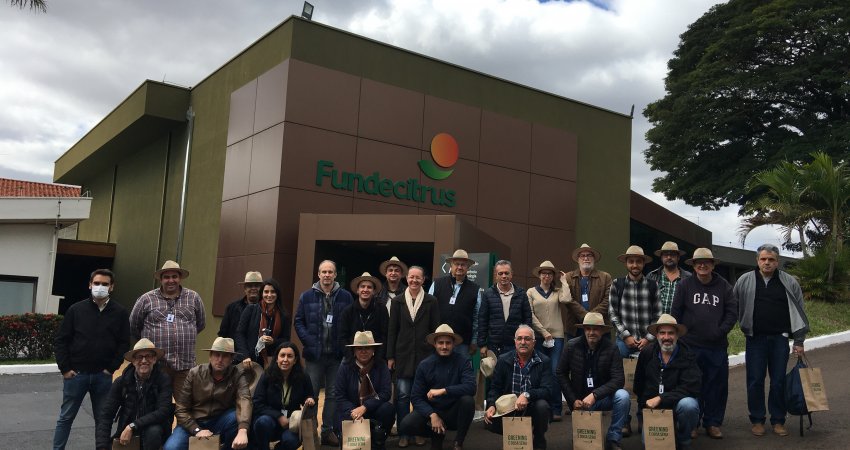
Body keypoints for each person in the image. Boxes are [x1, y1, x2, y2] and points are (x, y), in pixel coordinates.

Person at [733, 243, 810, 438]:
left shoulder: (789, 282)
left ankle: (778, 420)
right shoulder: (744, 280)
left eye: (771, 259)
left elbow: (800, 311)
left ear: (777, 262)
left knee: (777, 382)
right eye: (763, 259)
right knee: (755, 381)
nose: (767, 262)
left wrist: (799, 341)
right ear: (757, 260)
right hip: (755, 339)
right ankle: (757, 420)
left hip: (779, 340)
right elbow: (733, 306)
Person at [53, 268, 130, 450]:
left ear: (112, 287)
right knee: (65, 418)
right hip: (75, 375)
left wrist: (110, 368)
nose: (100, 287)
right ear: (90, 285)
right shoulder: (76, 310)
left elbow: (123, 343)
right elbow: (61, 340)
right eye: (97, 283)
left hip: (102, 377)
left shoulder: (120, 312)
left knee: (103, 420)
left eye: (105, 284)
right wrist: (65, 368)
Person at [671, 248, 737, 439]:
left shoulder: (724, 286)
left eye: (706, 262)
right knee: (692, 386)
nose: (702, 265)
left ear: (713, 264)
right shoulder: (684, 285)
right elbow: (676, 312)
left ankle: (713, 423)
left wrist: (720, 331)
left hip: (716, 346)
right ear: (693, 265)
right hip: (690, 345)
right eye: (698, 262)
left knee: (716, 386)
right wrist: (680, 336)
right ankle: (693, 423)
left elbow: (732, 312)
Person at [294, 260, 354, 446]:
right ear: (318, 274)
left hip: (336, 355)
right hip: (314, 355)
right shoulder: (306, 297)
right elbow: (298, 321)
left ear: (335, 275)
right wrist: (309, 341)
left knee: (333, 394)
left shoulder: (346, 297)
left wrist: (344, 346)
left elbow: (351, 323)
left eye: (330, 272)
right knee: (311, 396)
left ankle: (328, 431)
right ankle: (310, 433)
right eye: (323, 272)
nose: (327, 275)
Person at [130, 260, 205, 393]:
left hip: (185, 366)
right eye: (166, 277)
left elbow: (200, 324)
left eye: (174, 276)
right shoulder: (146, 299)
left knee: (185, 408)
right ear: (161, 279)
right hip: (156, 366)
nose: (171, 280)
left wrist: (185, 335)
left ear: (180, 278)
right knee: (155, 406)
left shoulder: (194, 298)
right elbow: (134, 325)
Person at [557, 313, 629, 450]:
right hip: (580, 400)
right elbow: (561, 373)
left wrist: (595, 395)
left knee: (623, 396)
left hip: (602, 398)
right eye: (588, 329)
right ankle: (584, 435)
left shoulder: (612, 348)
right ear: (583, 330)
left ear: (602, 330)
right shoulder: (571, 346)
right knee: (585, 443)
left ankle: (613, 439)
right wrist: (572, 400)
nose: (591, 332)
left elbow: (619, 379)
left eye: (595, 329)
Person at [386, 266, 441, 447]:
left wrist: (436, 354)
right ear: (406, 278)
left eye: (418, 277)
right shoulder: (398, 302)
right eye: (411, 277)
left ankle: (419, 432)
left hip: (426, 356)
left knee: (422, 397)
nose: (414, 280)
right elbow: (392, 331)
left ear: (423, 279)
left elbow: (435, 331)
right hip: (403, 355)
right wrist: (390, 356)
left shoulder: (431, 301)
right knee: (402, 397)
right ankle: (404, 433)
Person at [165, 337, 252, 450]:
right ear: (210, 356)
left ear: (231, 359)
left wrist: (243, 429)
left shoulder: (237, 374)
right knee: (171, 447)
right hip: (193, 421)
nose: (220, 359)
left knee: (235, 417)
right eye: (216, 354)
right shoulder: (195, 373)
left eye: (225, 356)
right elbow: (181, 408)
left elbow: (245, 399)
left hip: (220, 420)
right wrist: (196, 430)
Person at [401, 324, 476, 450]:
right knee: (405, 425)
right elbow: (416, 397)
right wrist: (432, 415)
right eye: (440, 343)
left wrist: (444, 391)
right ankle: (436, 434)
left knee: (468, 401)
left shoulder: (463, 361)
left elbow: (471, 387)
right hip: (433, 410)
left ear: (454, 344)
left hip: (454, 410)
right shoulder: (425, 365)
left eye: (448, 343)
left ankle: (459, 442)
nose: (444, 346)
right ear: (434, 344)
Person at [633, 315, 701, 450]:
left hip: (677, 405)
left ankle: (684, 440)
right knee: (649, 444)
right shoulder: (647, 353)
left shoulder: (687, 354)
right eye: (662, 333)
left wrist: (661, 398)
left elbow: (691, 387)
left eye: (671, 333)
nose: (666, 337)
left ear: (677, 335)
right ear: (657, 335)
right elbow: (639, 385)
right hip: (653, 409)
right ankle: (667, 431)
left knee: (690, 405)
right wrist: (643, 410)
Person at [483, 325, 556, 450]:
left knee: (542, 407)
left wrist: (527, 395)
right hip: (509, 408)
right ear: (515, 341)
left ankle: (538, 438)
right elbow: (495, 387)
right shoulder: (503, 360)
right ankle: (515, 439)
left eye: (527, 339)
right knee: (489, 421)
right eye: (519, 339)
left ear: (534, 342)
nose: (523, 342)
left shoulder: (544, 361)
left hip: (532, 407)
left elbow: (548, 390)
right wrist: (491, 405)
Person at [96, 339, 173, 450]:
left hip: (153, 432)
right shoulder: (121, 382)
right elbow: (106, 415)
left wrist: (133, 425)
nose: (144, 360)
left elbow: (163, 411)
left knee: (153, 432)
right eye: (139, 357)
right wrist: (101, 446)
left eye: (148, 356)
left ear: (155, 359)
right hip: (127, 433)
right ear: (133, 361)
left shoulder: (163, 379)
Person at [526, 260, 572, 420]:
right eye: (544, 273)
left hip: (557, 337)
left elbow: (566, 300)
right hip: (538, 337)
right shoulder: (531, 292)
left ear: (553, 276)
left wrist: (564, 282)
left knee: (555, 372)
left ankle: (556, 409)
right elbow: (530, 315)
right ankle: (540, 409)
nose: (546, 275)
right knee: (539, 372)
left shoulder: (558, 291)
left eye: (550, 273)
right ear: (539, 275)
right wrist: (543, 332)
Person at [334, 331, 395, 450]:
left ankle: (378, 441)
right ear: (354, 351)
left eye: (367, 348)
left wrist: (365, 407)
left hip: (372, 408)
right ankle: (350, 442)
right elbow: (339, 396)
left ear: (373, 350)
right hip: (351, 409)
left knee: (388, 409)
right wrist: (354, 412)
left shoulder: (381, 366)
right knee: (338, 416)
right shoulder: (345, 367)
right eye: (359, 348)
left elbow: (386, 393)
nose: (363, 351)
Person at [252, 342, 317, 450]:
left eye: (290, 356)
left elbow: (309, 395)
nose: (285, 359)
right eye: (282, 355)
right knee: (262, 423)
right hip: (270, 419)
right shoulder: (267, 375)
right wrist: (279, 416)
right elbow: (257, 402)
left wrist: (309, 399)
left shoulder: (303, 376)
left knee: (291, 441)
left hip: (291, 422)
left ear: (295, 360)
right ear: (277, 359)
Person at [608, 245, 660, 358]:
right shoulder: (617, 284)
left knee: (648, 374)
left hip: (648, 342)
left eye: (638, 262)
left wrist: (648, 338)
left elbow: (657, 315)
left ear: (644, 263)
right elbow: (613, 314)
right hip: (623, 342)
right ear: (625, 263)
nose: (635, 265)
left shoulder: (653, 285)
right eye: (631, 261)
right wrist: (626, 336)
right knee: (622, 374)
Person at [429, 249, 481, 357]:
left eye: (463, 264)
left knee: (460, 372)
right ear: (451, 266)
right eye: (457, 264)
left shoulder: (475, 289)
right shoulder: (437, 284)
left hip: (463, 343)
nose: (460, 267)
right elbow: (428, 311)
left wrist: (474, 341)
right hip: (439, 340)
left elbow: (477, 318)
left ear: (468, 267)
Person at [477, 260, 532, 357]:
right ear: (496, 275)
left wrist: (526, 340)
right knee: (494, 372)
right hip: (493, 345)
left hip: (515, 344)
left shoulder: (521, 293)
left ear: (511, 274)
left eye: (506, 273)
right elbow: (482, 320)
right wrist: (482, 344)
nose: (504, 276)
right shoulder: (488, 294)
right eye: (500, 273)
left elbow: (527, 319)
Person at [235, 278, 291, 368]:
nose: (269, 295)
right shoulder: (251, 309)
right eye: (266, 292)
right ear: (261, 293)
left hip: (271, 362)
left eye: (273, 292)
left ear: (277, 294)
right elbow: (239, 334)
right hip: (248, 361)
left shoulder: (283, 315)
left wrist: (273, 341)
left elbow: (286, 340)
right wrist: (245, 356)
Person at [563, 244, 612, 339]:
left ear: (594, 259)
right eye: (583, 256)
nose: (586, 258)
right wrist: (586, 316)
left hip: (600, 327)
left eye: (589, 255)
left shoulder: (605, 277)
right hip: (575, 328)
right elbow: (568, 300)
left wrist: (592, 318)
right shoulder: (568, 277)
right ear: (578, 259)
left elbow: (608, 300)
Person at [339, 272, 389, 360]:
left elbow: (385, 336)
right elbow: (342, 338)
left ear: (374, 291)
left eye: (369, 287)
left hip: (376, 359)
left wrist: (376, 360)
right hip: (352, 358)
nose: (365, 289)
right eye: (362, 286)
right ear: (357, 290)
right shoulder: (347, 311)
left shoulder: (382, 310)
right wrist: (351, 359)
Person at [646, 242, 692, 315]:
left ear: (678, 257)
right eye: (665, 255)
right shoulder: (652, 276)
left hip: (679, 324)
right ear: (661, 257)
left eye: (672, 255)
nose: (669, 257)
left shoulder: (689, 278)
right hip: (656, 323)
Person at [218, 271, 264, 339]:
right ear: (245, 288)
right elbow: (223, 333)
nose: (253, 288)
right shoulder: (231, 308)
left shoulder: (267, 309)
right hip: (235, 348)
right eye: (250, 286)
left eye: (257, 286)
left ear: (262, 289)